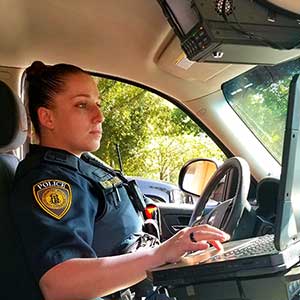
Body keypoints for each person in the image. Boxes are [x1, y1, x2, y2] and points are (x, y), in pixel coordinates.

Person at [10, 61, 230, 300]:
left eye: (98, 104)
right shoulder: (49, 181)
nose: (99, 116)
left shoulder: (81, 165)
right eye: (82, 105)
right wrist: (160, 254)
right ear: (47, 118)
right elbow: (59, 283)